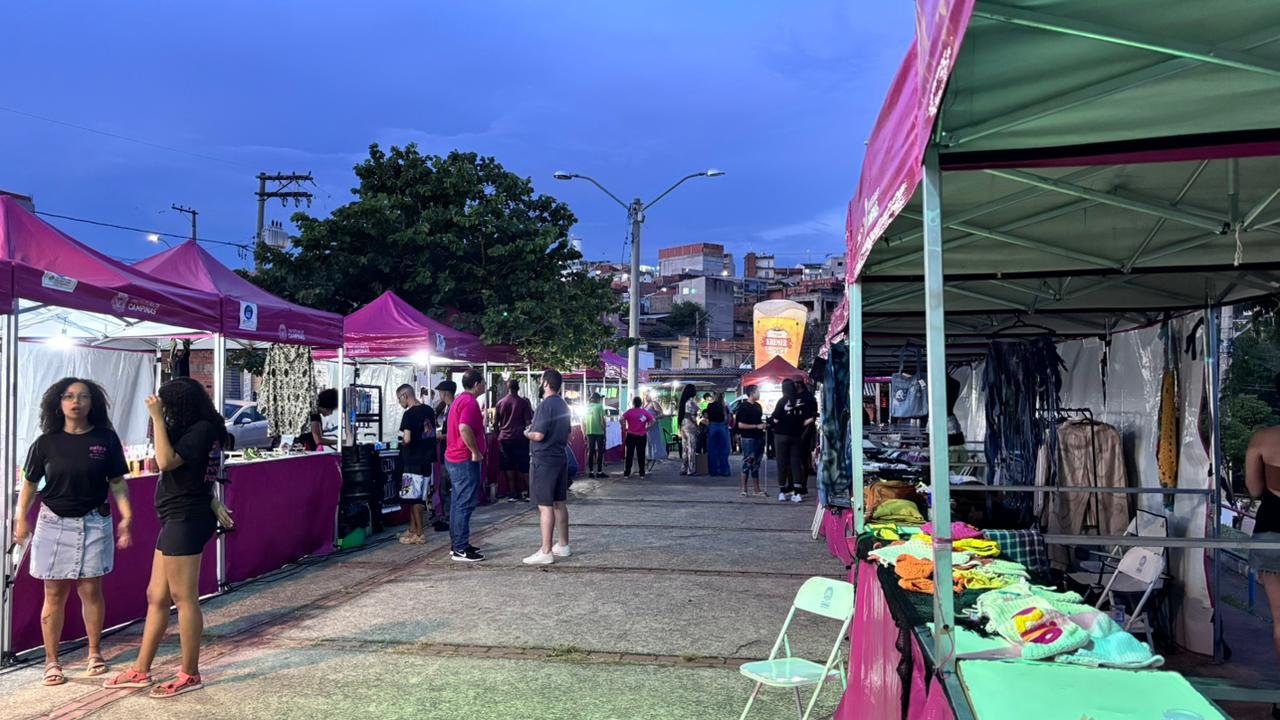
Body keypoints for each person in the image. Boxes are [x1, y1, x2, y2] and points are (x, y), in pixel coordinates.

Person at [104, 377, 233, 698]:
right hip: (179, 517)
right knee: (156, 595)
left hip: (185, 519)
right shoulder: (200, 428)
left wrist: (157, 419)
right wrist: (211, 499)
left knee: (183, 598)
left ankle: (190, 673)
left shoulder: (201, 429)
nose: (165, 411)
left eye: (168, 405)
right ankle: (141, 668)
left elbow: (165, 461)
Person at [13, 379, 133, 687]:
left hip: (95, 522)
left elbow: (117, 482)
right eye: (68, 396)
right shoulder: (45, 443)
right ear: (58, 403)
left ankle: (95, 652)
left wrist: (127, 516)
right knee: (54, 593)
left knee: (91, 590)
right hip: (52, 523)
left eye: (82, 397)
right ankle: (52, 661)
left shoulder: (106, 439)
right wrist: (20, 519)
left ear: (93, 404)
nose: (75, 401)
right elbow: (29, 485)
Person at [522, 370, 573, 565]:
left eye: (540, 380)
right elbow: (567, 433)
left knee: (545, 506)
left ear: (545, 384)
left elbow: (539, 435)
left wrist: (527, 433)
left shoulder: (545, 406)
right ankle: (563, 544)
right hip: (560, 457)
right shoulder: (563, 404)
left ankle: (546, 551)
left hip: (544, 459)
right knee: (559, 502)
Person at [444, 369, 487, 562]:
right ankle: (460, 547)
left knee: (457, 502)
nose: (485, 386)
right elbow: (464, 428)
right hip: (463, 458)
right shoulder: (470, 402)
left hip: (454, 457)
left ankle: (458, 544)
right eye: (483, 383)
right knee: (464, 503)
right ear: (476, 384)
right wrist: (475, 451)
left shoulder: (459, 401)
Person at [396, 384, 437, 545]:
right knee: (418, 496)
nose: (400, 403)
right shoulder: (429, 410)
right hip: (427, 459)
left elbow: (407, 439)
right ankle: (413, 529)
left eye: (399, 399)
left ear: (405, 396)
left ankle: (419, 533)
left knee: (414, 499)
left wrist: (402, 443)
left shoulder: (409, 414)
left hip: (412, 460)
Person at [769, 379, 817, 503]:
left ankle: (783, 492)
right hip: (796, 436)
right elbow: (809, 419)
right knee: (796, 463)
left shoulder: (782, 401)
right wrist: (800, 425)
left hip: (781, 436)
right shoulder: (801, 401)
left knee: (782, 463)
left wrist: (771, 424)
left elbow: (775, 419)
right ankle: (797, 492)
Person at [495, 379, 534, 502]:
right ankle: (529, 493)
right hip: (521, 438)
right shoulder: (523, 403)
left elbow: (495, 423)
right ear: (518, 388)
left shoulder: (500, 403)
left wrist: (498, 434)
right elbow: (528, 422)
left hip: (505, 438)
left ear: (508, 388)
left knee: (509, 467)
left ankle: (512, 493)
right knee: (524, 466)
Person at [735, 385, 767, 497]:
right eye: (758, 392)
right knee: (747, 461)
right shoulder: (743, 407)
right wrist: (756, 426)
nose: (759, 394)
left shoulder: (758, 406)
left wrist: (762, 426)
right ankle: (744, 488)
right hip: (748, 437)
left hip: (758, 437)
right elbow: (740, 425)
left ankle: (756, 489)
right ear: (752, 393)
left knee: (756, 463)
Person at [621, 397, 655, 478]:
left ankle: (627, 473)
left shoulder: (629, 412)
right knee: (641, 454)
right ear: (640, 403)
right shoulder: (644, 412)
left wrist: (623, 427)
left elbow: (621, 419)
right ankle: (642, 474)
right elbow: (653, 420)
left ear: (633, 403)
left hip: (630, 435)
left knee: (629, 454)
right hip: (642, 436)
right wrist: (648, 428)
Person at [704, 392, 732, 477]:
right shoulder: (725, 406)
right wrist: (726, 425)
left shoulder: (710, 405)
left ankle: (713, 471)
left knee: (712, 450)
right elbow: (729, 418)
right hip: (722, 427)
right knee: (724, 450)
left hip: (712, 427)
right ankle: (724, 470)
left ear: (714, 397)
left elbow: (706, 416)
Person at [676, 385, 700, 476]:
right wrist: (696, 424)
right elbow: (691, 415)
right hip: (690, 425)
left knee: (685, 448)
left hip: (683, 425)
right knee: (691, 447)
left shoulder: (683, 402)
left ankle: (683, 468)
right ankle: (691, 469)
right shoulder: (691, 402)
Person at [583, 392, 607, 478]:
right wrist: (604, 431)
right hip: (599, 432)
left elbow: (583, 422)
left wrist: (584, 433)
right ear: (598, 399)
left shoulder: (586, 407)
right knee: (600, 451)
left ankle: (591, 472)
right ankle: (599, 472)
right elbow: (602, 421)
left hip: (589, 432)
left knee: (591, 451)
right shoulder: (600, 407)